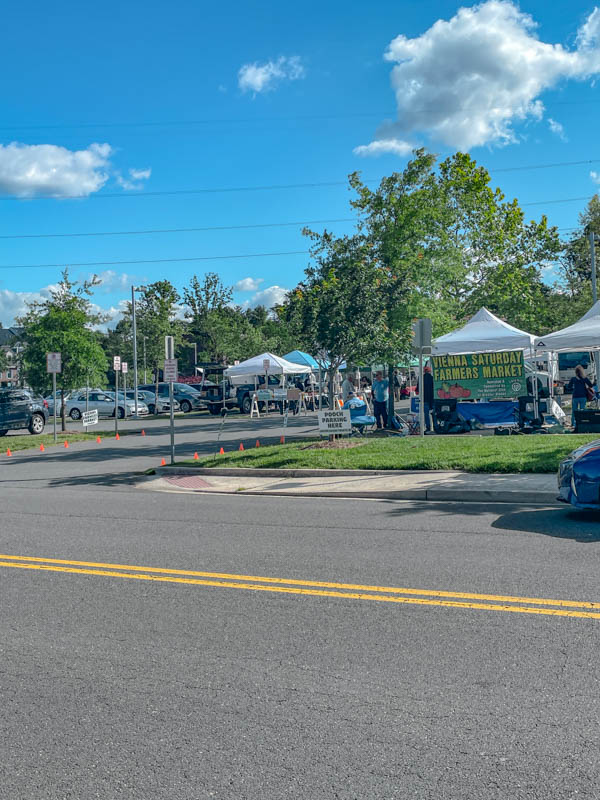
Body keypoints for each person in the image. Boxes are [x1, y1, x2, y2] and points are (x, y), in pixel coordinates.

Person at [416, 365, 434, 432]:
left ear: (424, 371)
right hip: (432, 399)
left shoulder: (421, 378)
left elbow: (417, 389)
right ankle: (435, 426)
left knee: (426, 414)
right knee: (433, 414)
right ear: (429, 371)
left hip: (424, 399)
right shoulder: (432, 378)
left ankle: (428, 427)